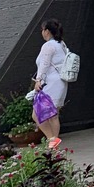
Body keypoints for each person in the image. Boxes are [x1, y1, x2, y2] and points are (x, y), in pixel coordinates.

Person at [33, 18, 68, 150]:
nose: (42, 32)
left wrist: (38, 80)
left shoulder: (48, 46)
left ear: (47, 31)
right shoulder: (62, 44)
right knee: (54, 114)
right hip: (61, 82)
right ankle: (54, 142)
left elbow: (44, 64)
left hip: (51, 83)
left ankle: (51, 139)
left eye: (42, 30)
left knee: (37, 114)